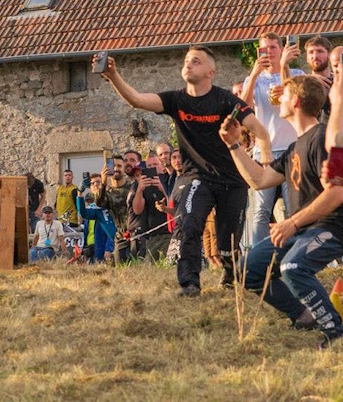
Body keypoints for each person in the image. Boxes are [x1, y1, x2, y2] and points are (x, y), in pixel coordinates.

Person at [101, 49, 266, 295]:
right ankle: (189, 283)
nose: (189, 64)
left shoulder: (225, 100)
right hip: (197, 177)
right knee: (189, 224)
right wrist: (113, 75)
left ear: (211, 72)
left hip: (232, 179)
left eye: (196, 61)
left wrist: (269, 157)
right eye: (186, 61)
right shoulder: (176, 100)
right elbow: (136, 99)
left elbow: (259, 130)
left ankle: (232, 273)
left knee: (226, 244)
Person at [222, 76, 343, 342]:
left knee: (293, 266)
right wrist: (233, 145)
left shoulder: (321, 139)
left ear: (295, 101)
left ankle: (335, 332)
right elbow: (259, 180)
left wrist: (292, 223)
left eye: (283, 96)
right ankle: (302, 315)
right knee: (246, 269)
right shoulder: (295, 146)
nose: (278, 100)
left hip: (332, 226)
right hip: (300, 230)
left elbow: (336, 194)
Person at [238, 32, 302, 249]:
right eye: (263, 49)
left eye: (273, 48)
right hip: (264, 152)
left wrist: (287, 85)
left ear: (282, 49)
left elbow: (299, 106)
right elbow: (242, 108)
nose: (268, 53)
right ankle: (257, 257)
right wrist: (254, 74)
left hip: (292, 149)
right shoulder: (253, 79)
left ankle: (293, 253)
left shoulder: (296, 74)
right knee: (260, 210)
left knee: (294, 209)